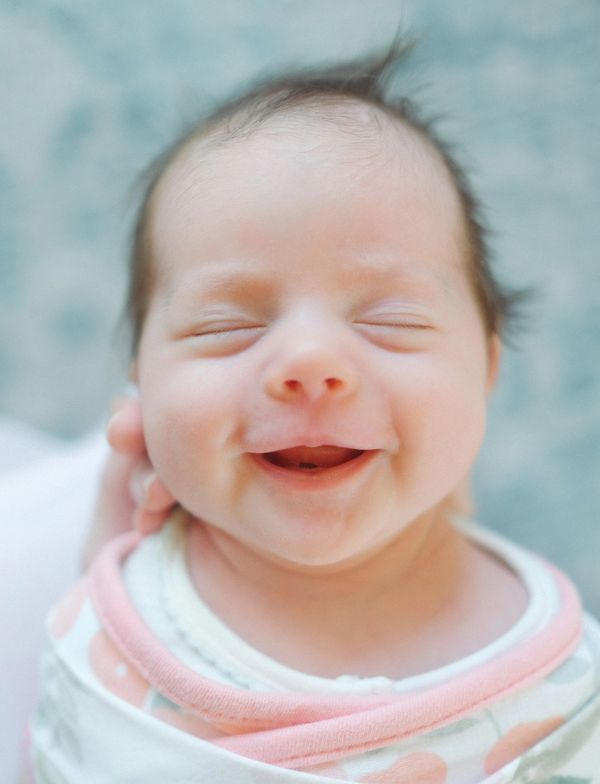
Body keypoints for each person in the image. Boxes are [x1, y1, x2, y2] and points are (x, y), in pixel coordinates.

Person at [28, 42, 600, 783]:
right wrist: (104, 552)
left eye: (390, 319)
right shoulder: (113, 620)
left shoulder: (563, 676)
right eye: (225, 326)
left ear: (485, 368)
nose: (308, 363)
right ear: (143, 383)